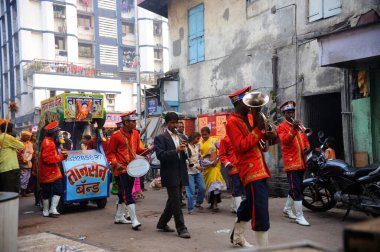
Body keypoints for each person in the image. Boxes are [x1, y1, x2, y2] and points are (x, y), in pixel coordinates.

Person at [226, 86, 274, 247]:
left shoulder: (249, 118)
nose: (252, 106)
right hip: (250, 170)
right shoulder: (232, 122)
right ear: (238, 103)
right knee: (260, 209)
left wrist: (266, 136)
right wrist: (258, 131)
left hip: (260, 167)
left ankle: (237, 236)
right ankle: (264, 248)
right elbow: (240, 146)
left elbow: (259, 144)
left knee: (249, 205)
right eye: (248, 103)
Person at [154, 112, 191, 239]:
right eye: (172, 123)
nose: (175, 125)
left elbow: (187, 155)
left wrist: (186, 150)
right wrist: (176, 150)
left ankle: (162, 223)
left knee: (173, 201)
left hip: (181, 171)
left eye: (176, 123)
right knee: (176, 201)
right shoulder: (160, 138)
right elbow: (161, 156)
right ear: (167, 123)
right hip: (169, 173)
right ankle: (181, 228)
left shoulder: (182, 137)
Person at [107, 111, 146, 230]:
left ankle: (119, 217)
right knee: (127, 193)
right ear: (125, 122)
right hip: (121, 170)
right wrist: (115, 163)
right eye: (132, 121)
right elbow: (110, 153)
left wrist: (146, 150)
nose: (135, 123)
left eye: (135, 121)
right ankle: (134, 220)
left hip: (133, 168)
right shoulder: (116, 135)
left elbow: (138, 149)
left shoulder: (136, 134)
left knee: (122, 193)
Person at [276, 101, 310, 226]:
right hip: (291, 163)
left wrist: (307, 147)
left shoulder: (300, 127)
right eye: (288, 112)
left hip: (301, 162)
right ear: (284, 114)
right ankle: (299, 216)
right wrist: (293, 129)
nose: (291, 114)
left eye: (292, 111)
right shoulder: (281, 127)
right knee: (296, 190)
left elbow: (305, 140)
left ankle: (287, 209)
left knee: (296, 188)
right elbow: (285, 140)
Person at [38, 121, 68, 217]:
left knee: (57, 190)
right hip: (47, 172)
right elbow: (47, 159)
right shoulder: (48, 143)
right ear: (54, 132)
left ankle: (52, 209)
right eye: (57, 131)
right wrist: (61, 157)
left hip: (53, 171)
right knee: (47, 192)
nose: (58, 133)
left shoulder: (50, 141)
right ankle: (46, 210)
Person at [199, 126, 225, 212]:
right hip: (205, 168)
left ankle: (215, 204)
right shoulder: (200, 142)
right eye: (202, 135)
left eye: (206, 134)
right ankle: (211, 203)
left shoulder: (214, 140)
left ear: (209, 134)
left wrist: (217, 160)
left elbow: (222, 150)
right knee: (207, 186)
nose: (204, 136)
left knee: (214, 186)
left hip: (214, 166)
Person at [219, 134, 243, 213]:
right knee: (237, 186)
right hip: (233, 166)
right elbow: (222, 155)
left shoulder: (243, 135)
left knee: (239, 187)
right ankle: (239, 209)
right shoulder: (225, 140)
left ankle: (234, 206)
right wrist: (227, 163)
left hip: (244, 166)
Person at [0, 120, 24, 193]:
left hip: (4, 168)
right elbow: (21, 146)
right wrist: (15, 138)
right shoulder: (7, 137)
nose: (13, 130)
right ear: (9, 129)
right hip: (10, 168)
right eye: (12, 128)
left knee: (5, 191)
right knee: (11, 192)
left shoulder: (2, 136)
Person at [185, 132, 205, 214]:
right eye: (197, 138)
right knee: (191, 191)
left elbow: (198, 158)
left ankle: (198, 203)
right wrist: (197, 166)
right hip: (189, 172)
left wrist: (202, 158)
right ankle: (190, 209)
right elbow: (187, 161)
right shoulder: (186, 148)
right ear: (193, 138)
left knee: (202, 188)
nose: (198, 140)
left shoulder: (196, 147)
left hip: (197, 171)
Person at [18, 130, 34, 196]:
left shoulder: (30, 143)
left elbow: (31, 153)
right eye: (27, 137)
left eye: (29, 137)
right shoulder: (19, 143)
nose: (28, 138)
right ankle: (22, 191)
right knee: (23, 177)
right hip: (22, 163)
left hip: (28, 163)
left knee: (27, 177)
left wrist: (28, 159)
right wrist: (22, 159)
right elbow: (18, 153)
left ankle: (24, 190)